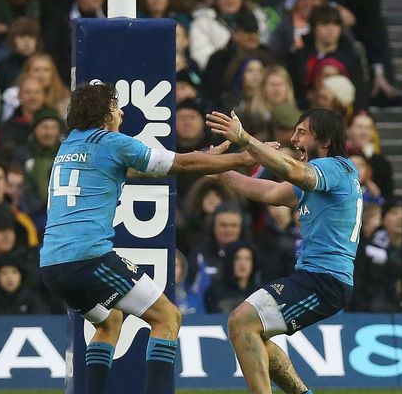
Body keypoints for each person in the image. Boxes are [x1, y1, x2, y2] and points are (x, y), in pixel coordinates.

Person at [38, 83, 259, 394]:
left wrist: (201, 156)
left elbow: (128, 171)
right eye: (116, 107)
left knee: (109, 322)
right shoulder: (111, 142)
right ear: (104, 113)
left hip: (52, 265)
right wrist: (239, 160)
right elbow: (180, 165)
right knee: (168, 317)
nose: (122, 112)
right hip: (88, 258)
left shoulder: (69, 146)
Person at [206, 108, 361, 394]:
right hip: (318, 278)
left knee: (242, 322)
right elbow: (268, 192)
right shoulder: (320, 179)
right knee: (253, 333)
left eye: (302, 132)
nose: (293, 138)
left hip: (325, 280)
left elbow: (291, 170)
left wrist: (245, 139)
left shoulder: (334, 168)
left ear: (325, 141)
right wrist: (221, 172)